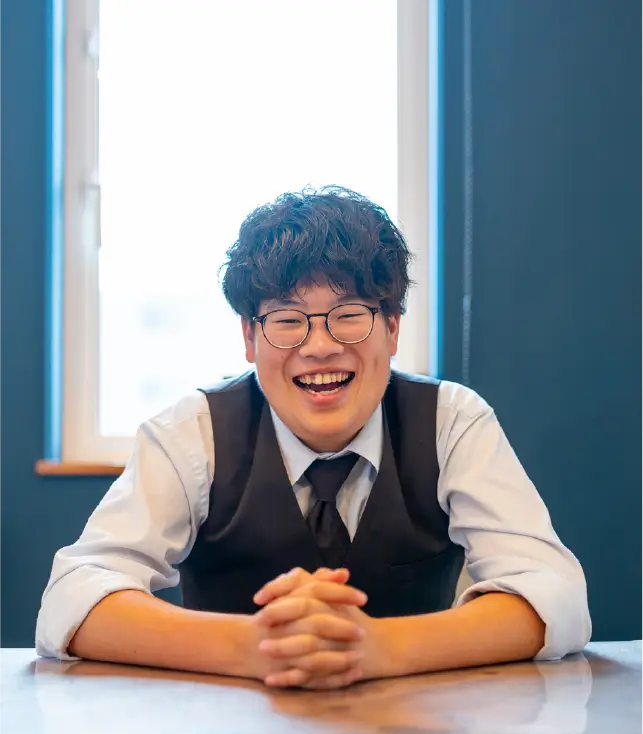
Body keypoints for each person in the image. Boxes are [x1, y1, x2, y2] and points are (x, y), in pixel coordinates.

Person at [36, 187, 591, 690]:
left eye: (349, 315)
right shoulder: (190, 433)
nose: (320, 346)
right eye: (287, 319)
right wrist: (255, 647)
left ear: (392, 327)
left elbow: (556, 594)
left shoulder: (451, 421)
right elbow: (72, 597)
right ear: (249, 337)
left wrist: (376, 647)